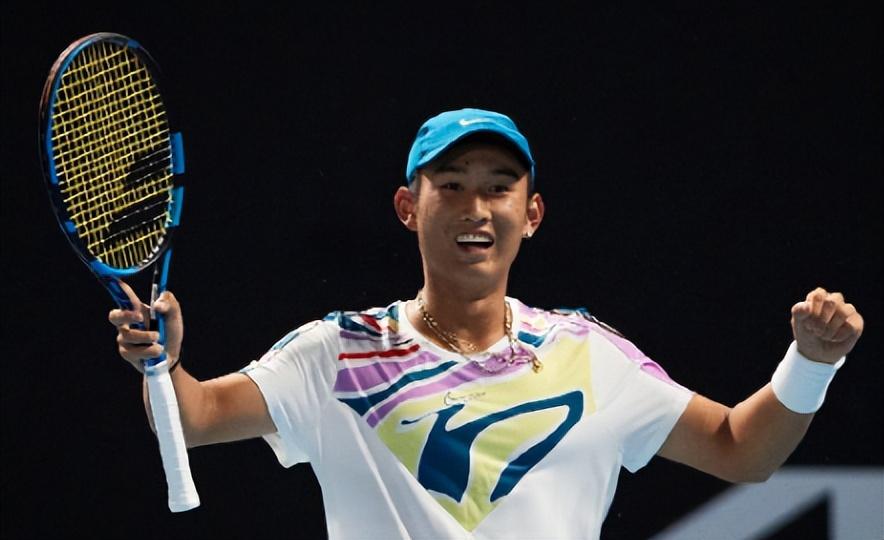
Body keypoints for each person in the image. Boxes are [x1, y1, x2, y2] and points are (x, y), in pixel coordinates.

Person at [110, 108, 864, 539]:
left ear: (530, 214)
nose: (476, 209)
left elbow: (740, 450)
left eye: (499, 189)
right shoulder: (338, 354)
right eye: (451, 186)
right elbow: (196, 417)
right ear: (409, 208)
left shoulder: (587, 356)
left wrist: (812, 362)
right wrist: (163, 366)